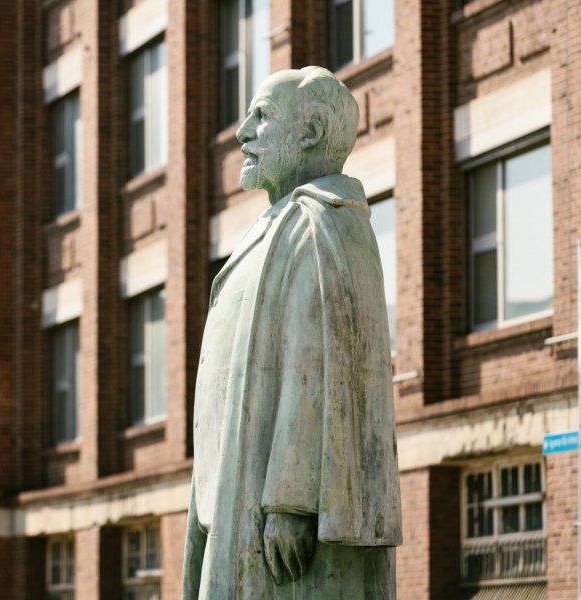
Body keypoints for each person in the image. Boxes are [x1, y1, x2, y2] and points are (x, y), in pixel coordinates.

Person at [182, 66, 402, 599]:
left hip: (274, 510)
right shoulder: (273, 227)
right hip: (235, 487)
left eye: (262, 117)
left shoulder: (327, 222)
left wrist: (293, 498)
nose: (242, 133)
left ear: (309, 133)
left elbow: (324, 361)